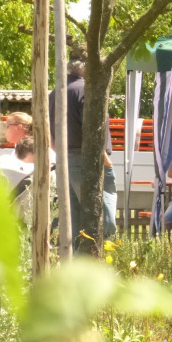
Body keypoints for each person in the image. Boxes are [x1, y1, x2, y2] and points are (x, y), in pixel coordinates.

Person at [49, 56, 117, 244]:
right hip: (89, 160)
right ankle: (103, 264)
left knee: (76, 223)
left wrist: (62, 154)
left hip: (65, 161)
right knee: (103, 220)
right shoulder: (87, 90)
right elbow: (91, 130)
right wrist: (105, 160)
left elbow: (50, 136)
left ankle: (78, 267)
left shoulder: (56, 92)